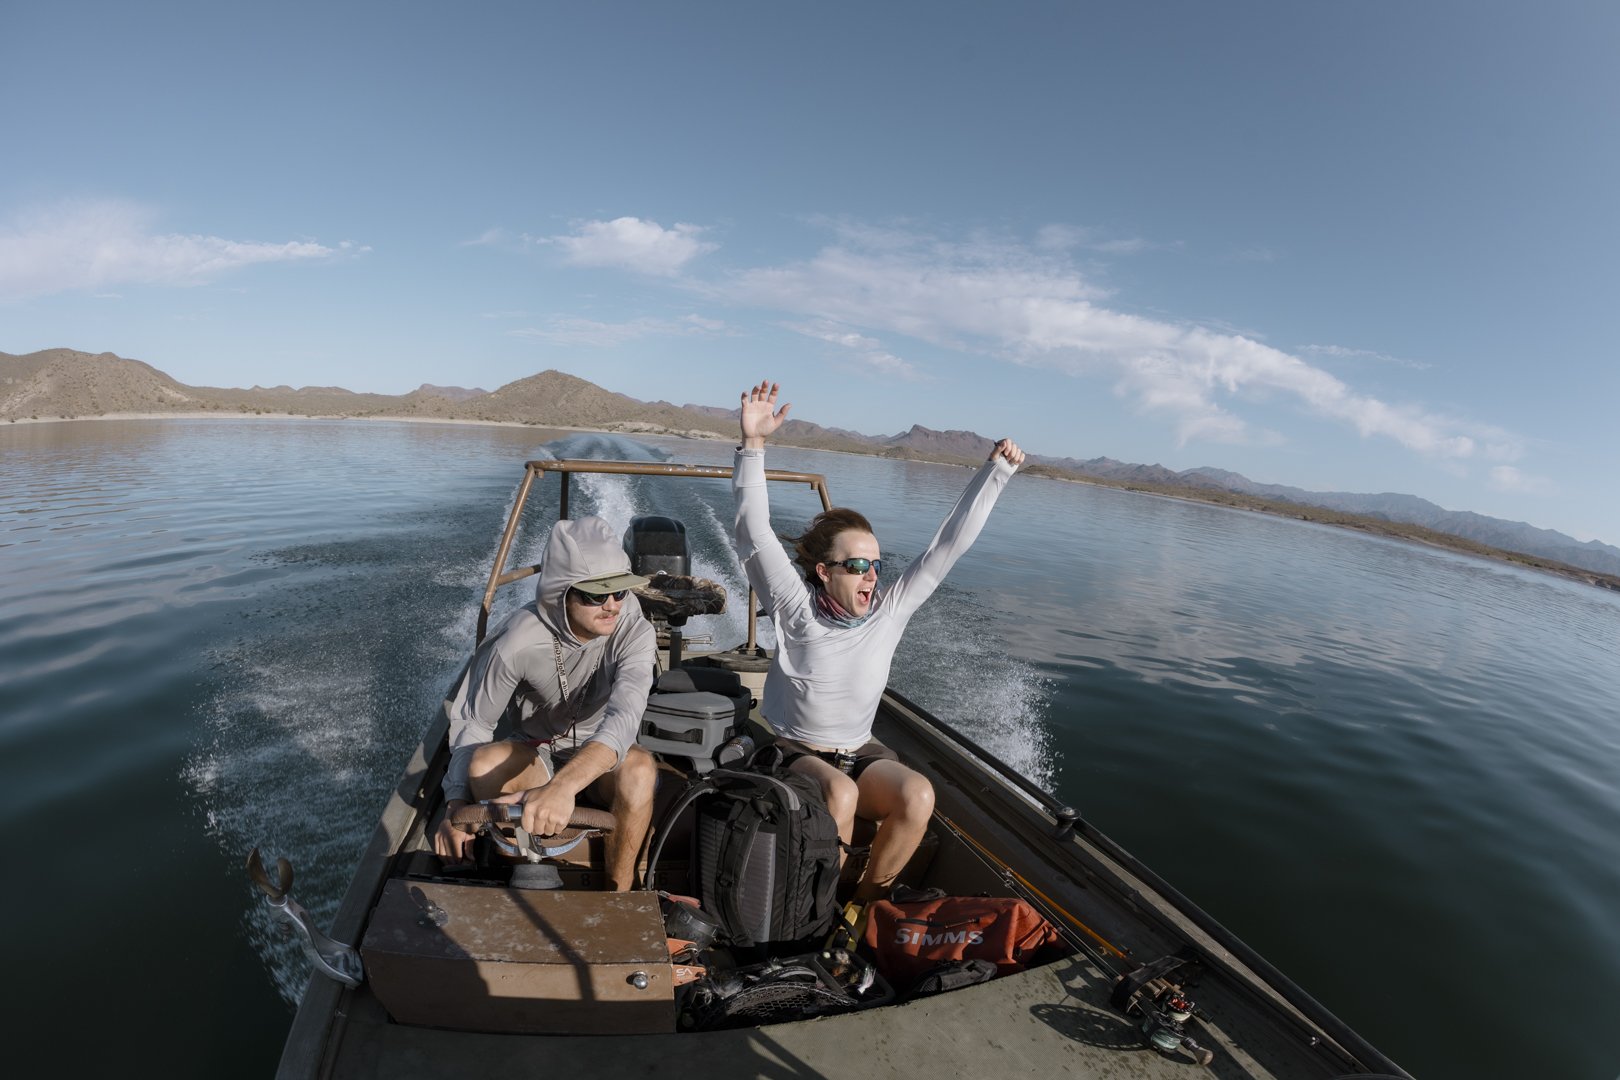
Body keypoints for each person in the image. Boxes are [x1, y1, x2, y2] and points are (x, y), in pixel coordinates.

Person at [733, 379, 1024, 902]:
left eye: (876, 565)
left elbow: (947, 546)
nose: (871, 575)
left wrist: (996, 472)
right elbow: (754, 531)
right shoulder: (796, 608)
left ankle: (864, 907)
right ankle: (813, 913)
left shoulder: (888, 611)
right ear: (824, 572)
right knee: (840, 794)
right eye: (857, 565)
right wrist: (753, 445)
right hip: (793, 751)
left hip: (860, 752)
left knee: (918, 794)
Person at [433, 515, 659, 892]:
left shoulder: (634, 629)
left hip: (604, 757)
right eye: (595, 595)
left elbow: (624, 718)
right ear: (560, 592)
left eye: (620, 592)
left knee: (640, 769)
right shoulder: (516, 641)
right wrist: (455, 807)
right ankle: (525, 878)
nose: (611, 605)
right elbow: (475, 724)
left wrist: (564, 787)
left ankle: (619, 895)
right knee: (483, 764)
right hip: (536, 752)